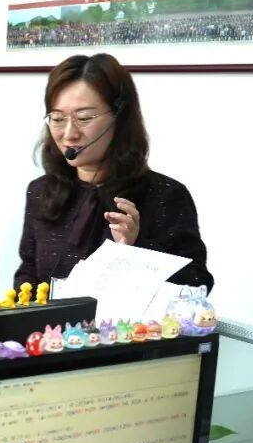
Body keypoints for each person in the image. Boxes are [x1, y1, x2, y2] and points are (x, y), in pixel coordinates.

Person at [14, 53, 213, 290]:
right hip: (49, 317)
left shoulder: (165, 195)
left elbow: (197, 284)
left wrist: (137, 247)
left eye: (84, 118)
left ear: (119, 116)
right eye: (57, 119)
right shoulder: (40, 192)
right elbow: (28, 271)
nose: (69, 134)